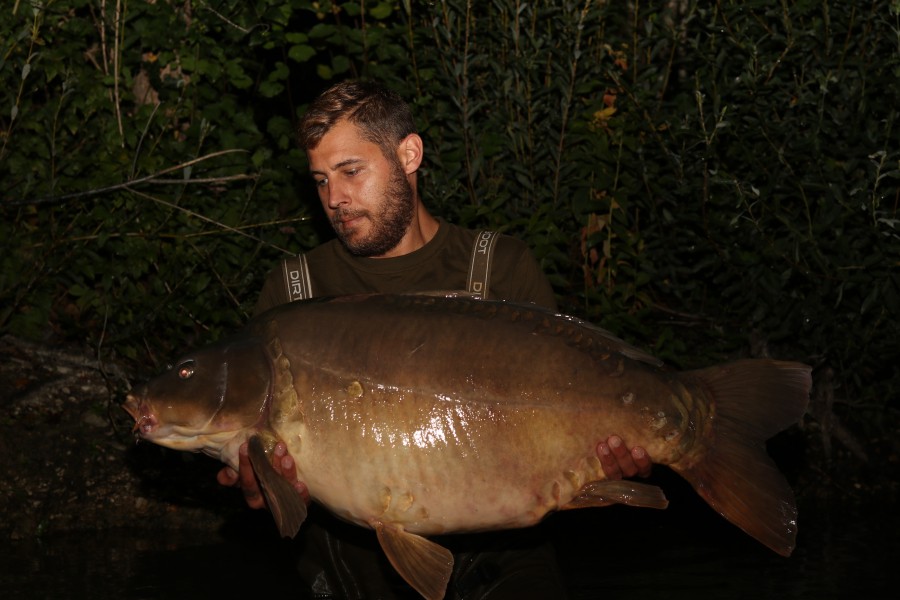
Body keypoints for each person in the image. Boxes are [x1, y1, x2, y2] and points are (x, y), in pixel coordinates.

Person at [217, 79, 652, 598]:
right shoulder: (293, 295)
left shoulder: (499, 269)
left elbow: (564, 412)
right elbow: (270, 497)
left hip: (502, 558)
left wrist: (610, 461)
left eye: (351, 171)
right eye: (320, 180)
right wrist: (260, 484)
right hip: (351, 561)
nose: (335, 198)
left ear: (409, 154)